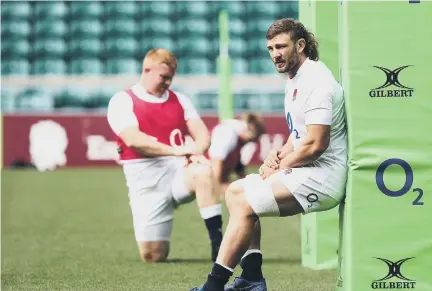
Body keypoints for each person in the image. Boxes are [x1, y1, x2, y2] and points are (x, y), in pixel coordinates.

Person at [190, 18, 348, 291]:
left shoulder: (317, 81)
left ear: (300, 45)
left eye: (281, 46)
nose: (275, 54)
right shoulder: (296, 79)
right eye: (271, 48)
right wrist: (279, 153)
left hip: (323, 178)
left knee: (244, 201)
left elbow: (316, 144)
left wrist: (281, 165)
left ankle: (214, 286)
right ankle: (251, 277)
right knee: (234, 192)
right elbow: (300, 134)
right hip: (307, 170)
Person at [107, 48, 223, 263]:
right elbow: (133, 139)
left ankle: (219, 246)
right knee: (153, 255)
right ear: (146, 70)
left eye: (171, 78)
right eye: (163, 77)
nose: (168, 83)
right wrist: (175, 150)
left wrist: (196, 152)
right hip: (145, 178)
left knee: (204, 170)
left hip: (179, 170)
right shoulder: (122, 100)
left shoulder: (180, 100)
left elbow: (202, 134)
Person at [207, 112, 265, 196]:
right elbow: (216, 164)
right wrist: (218, 189)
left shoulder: (236, 136)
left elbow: (238, 167)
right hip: (204, 176)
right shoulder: (227, 133)